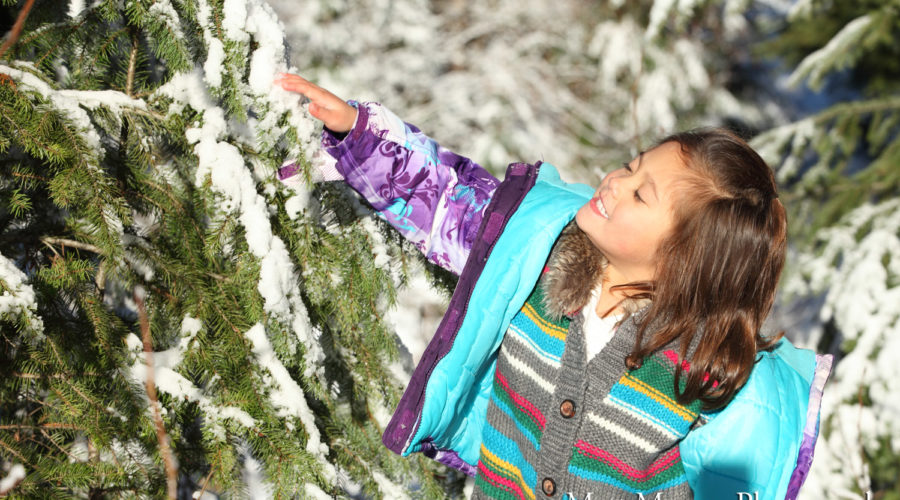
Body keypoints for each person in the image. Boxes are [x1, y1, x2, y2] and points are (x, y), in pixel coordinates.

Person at [274, 73, 832, 500]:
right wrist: (362, 133)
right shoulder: (540, 252)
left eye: (641, 194)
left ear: (687, 258)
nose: (616, 181)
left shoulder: (705, 364)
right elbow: (448, 199)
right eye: (631, 167)